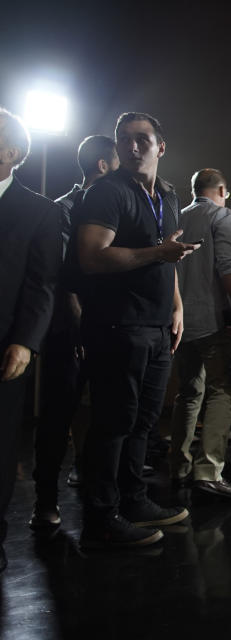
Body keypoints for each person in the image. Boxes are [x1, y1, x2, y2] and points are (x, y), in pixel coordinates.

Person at [74, 112, 196, 548]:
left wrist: (177, 305)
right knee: (113, 422)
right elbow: (91, 257)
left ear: (161, 147)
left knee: (143, 421)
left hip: (158, 325)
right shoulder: (106, 193)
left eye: (142, 138)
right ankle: (101, 517)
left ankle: (133, 500)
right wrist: (157, 254)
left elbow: (170, 256)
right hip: (116, 325)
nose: (132, 146)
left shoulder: (167, 194)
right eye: (124, 139)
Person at [30, 135, 119, 531]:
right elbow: (61, 277)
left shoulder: (118, 206)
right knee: (56, 413)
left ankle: (92, 484)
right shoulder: (62, 209)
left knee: (103, 412)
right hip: (70, 331)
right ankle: (45, 502)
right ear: (102, 165)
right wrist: (79, 324)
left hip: (108, 326)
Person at [0, 108, 61, 571]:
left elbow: (42, 285)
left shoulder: (39, 210)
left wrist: (26, 341)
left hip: (6, 346)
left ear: (11, 153)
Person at [168, 169, 231, 500]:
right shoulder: (222, 216)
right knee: (222, 392)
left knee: (188, 392)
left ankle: (179, 467)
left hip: (178, 322)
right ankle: (209, 471)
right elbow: (229, 266)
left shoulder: (175, 216)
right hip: (212, 320)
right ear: (222, 190)